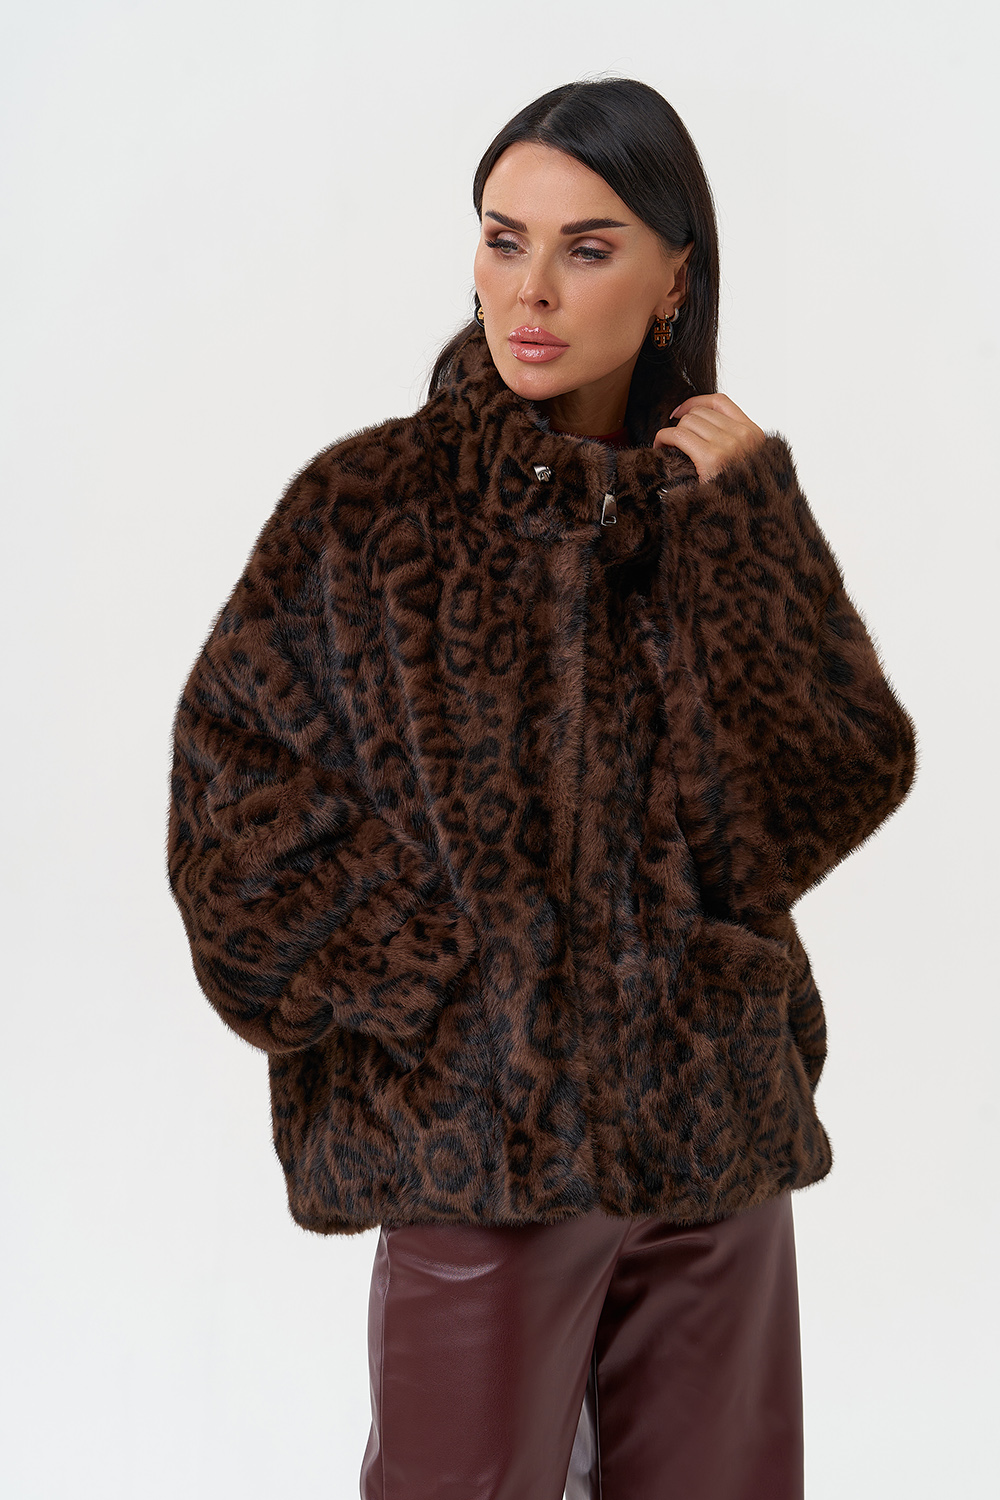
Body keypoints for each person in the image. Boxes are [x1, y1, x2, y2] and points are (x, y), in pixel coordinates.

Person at [166, 78, 917, 1500]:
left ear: (675, 276)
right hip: (487, 1163)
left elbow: (827, 788)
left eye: (588, 248)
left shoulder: (710, 507)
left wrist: (756, 533)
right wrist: (450, 996)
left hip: (712, 1146)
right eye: (504, 238)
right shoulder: (368, 510)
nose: (532, 289)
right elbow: (235, 815)